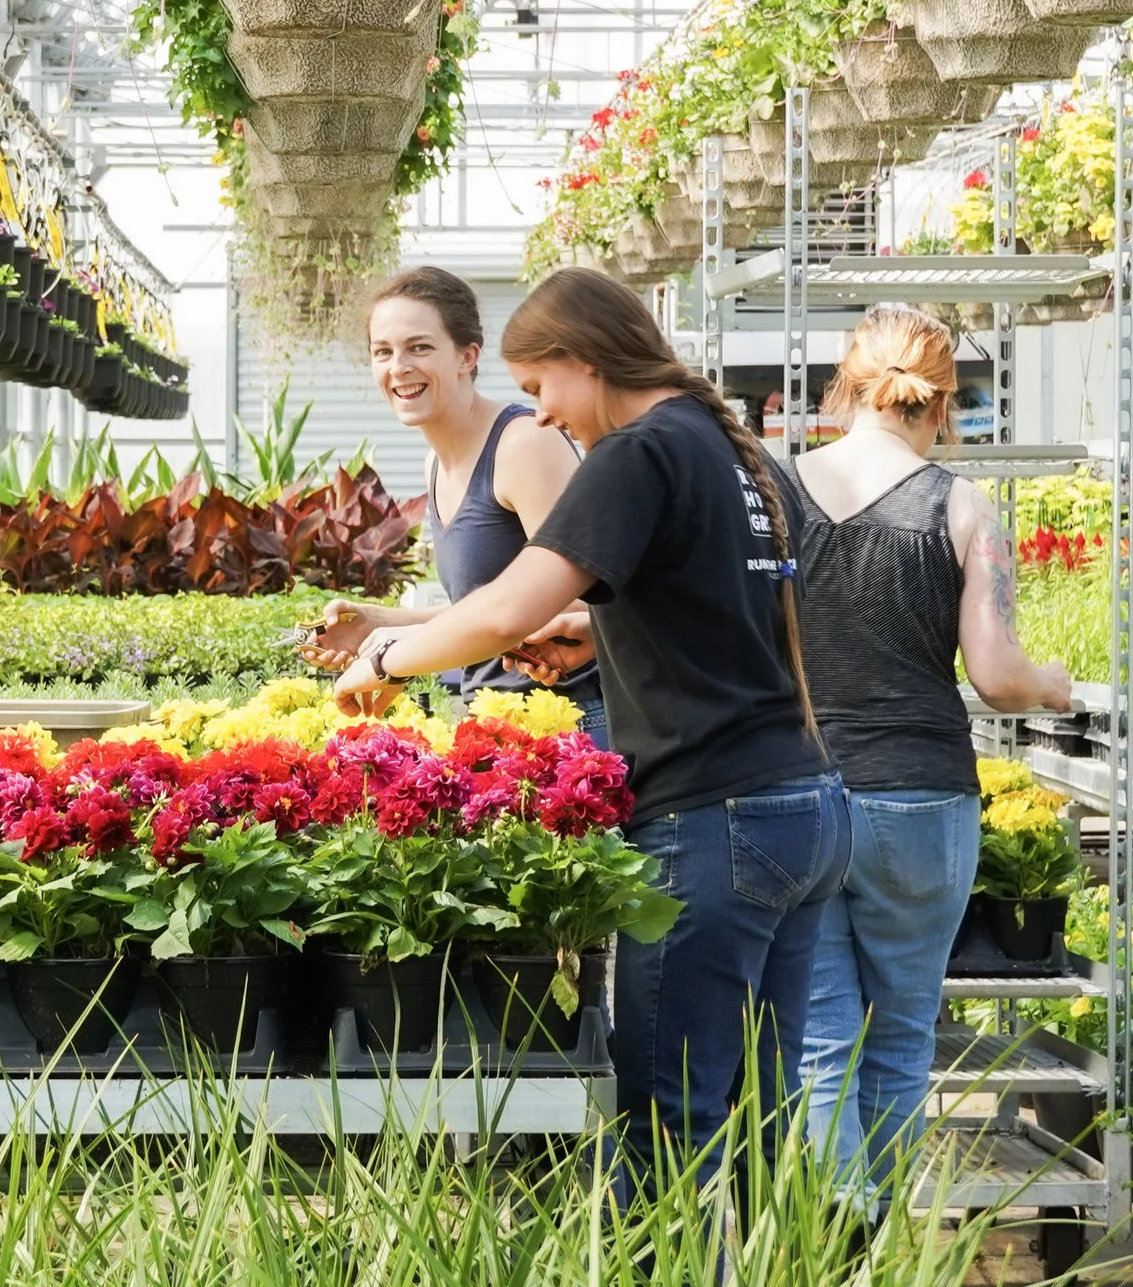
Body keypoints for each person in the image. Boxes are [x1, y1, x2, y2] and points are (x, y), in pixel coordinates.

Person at [329, 266, 851, 1180]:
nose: (539, 418)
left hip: (712, 818)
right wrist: (592, 632)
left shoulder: (637, 451)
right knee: (763, 1126)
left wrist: (381, 659)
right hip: (805, 804)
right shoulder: (731, 450)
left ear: (584, 361)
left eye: (540, 390)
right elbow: (722, 613)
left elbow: (498, 613)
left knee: (665, 1127)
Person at [784, 305, 1073, 1201]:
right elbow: (995, 676)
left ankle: (824, 1246)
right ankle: (885, 1247)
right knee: (904, 1035)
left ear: (845, 386)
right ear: (941, 402)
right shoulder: (959, 502)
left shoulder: (775, 490)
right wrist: (1054, 682)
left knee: (822, 1041)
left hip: (801, 794)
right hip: (919, 800)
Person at [297, 266, 606, 744]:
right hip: (492, 722)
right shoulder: (434, 466)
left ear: (467, 355)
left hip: (571, 726)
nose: (398, 366)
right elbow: (483, 611)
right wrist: (375, 624)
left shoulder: (523, 444)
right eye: (383, 351)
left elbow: (578, 598)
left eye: (419, 347)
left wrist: (392, 655)